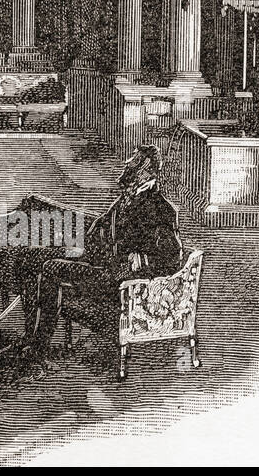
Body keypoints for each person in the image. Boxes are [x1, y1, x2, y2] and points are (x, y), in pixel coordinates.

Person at [15, 144, 183, 359]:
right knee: (35, 257)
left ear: (145, 171)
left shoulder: (162, 208)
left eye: (133, 161)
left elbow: (172, 256)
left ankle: (38, 346)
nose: (126, 164)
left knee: (51, 268)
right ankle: (30, 336)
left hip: (122, 281)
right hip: (101, 266)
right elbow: (99, 231)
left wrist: (141, 260)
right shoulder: (125, 199)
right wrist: (75, 250)